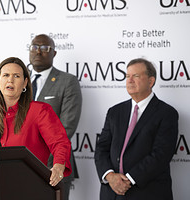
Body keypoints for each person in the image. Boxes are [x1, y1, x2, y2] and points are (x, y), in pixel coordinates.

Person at [0, 57, 72, 187]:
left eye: (16, 76)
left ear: (25, 83)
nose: (10, 80)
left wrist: (58, 166)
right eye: (6, 75)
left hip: (30, 187)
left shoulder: (40, 111)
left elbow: (60, 142)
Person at [94, 58, 179, 200]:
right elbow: (101, 148)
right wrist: (110, 176)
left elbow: (161, 155)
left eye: (136, 76)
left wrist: (128, 180)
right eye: (127, 76)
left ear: (151, 81)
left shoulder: (166, 113)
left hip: (147, 192)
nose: (130, 80)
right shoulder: (114, 111)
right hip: (112, 193)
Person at [29, 34, 82, 199]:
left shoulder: (67, 82)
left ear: (54, 53)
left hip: (54, 166)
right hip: (21, 164)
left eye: (45, 48)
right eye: (34, 47)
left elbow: (67, 127)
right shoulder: (18, 81)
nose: (38, 52)